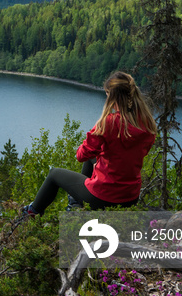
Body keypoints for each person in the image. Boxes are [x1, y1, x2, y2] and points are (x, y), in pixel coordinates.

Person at [23, 71, 157, 216]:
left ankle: (32, 213)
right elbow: (131, 155)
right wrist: (101, 161)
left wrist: (94, 150)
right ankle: (76, 203)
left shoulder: (109, 122)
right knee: (92, 159)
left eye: (107, 95)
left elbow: (81, 155)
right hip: (130, 197)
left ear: (112, 97)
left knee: (54, 174)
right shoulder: (147, 122)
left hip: (104, 196)